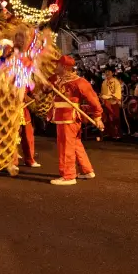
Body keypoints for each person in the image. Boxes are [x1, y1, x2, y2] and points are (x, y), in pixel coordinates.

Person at [49, 55, 104, 185]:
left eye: (57, 65)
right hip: (61, 117)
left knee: (66, 146)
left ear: (64, 67)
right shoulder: (57, 79)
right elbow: (46, 86)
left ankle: (68, 176)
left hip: (69, 118)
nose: (54, 67)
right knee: (75, 145)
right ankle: (87, 170)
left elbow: (93, 99)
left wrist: (97, 116)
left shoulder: (79, 82)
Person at [100, 67, 122, 140]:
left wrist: (112, 98)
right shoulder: (104, 82)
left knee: (115, 118)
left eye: (109, 71)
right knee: (106, 119)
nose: (107, 73)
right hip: (106, 102)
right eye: (106, 71)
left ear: (112, 73)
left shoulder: (116, 82)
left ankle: (116, 134)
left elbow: (117, 93)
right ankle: (108, 134)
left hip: (113, 102)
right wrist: (102, 99)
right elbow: (102, 92)